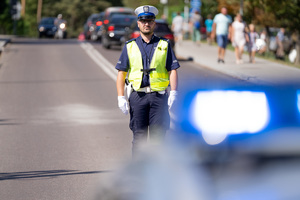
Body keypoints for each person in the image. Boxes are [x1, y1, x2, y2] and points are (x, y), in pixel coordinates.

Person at [115, 5, 180, 156]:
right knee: (139, 138)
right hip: (138, 96)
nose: (146, 24)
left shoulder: (164, 45)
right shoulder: (130, 46)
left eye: (149, 21)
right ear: (138, 23)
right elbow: (121, 73)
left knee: (159, 139)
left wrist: (174, 93)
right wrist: (120, 97)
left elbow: (173, 70)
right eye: (143, 21)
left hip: (159, 97)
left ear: (154, 23)